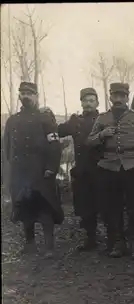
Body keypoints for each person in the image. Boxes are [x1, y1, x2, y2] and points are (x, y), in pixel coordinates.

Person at [87, 82, 134, 259]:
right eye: (115, 96)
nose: (118, 99)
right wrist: (102, 135)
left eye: (122, 96)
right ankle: (117, 242)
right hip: (108, 167)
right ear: (110, 97)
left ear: (127, 97)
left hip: (133, 167)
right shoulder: (102, 118)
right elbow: (89, 142)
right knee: (111, 207)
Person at [3, 82, 63, 258]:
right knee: (25, 208)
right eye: (22, 93)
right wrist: (9, 171)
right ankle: (30, 244)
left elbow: (55, 145)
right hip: (21, 172)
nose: (26, 96)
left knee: (45, 207)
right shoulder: (12, 120)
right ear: (19, 96)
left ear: (36, 96)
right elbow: (6, 147)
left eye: (29, 93)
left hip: (41, 171)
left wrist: (52, 168)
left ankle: (49, 246)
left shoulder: (45, 119)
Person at [58, 87, 101, 251]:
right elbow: (60, 131)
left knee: (105, 204)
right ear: (81, 102)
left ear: (97, 102)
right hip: (82, 170)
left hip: (101, 169)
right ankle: (91, 238)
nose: (88, 104)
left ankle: (114, 239)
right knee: (85, 205)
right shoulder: (76, 120)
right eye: (85, 100)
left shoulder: (102, 119)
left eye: (91, 100)